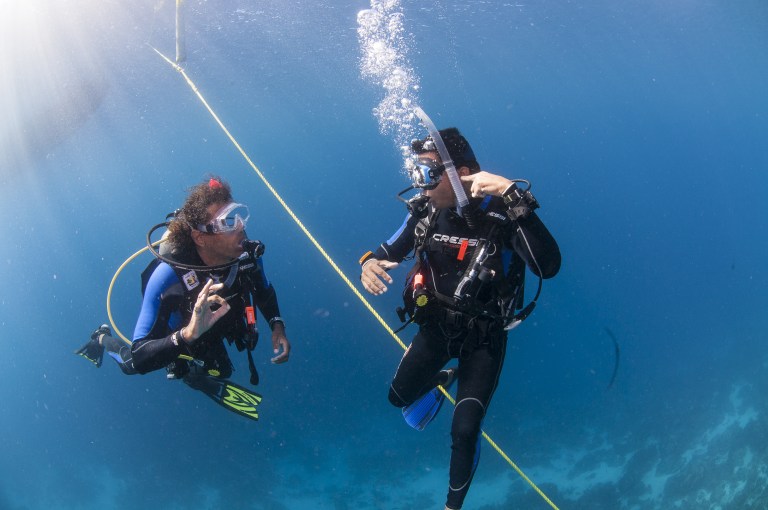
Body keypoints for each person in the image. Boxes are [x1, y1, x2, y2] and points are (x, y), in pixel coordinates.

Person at [359, 128, 561, 509]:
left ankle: (452, 506)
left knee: (464, 430)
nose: (420, 184)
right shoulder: (426, 211)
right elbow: (383, 251)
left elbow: (548, 266)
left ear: (461, 173)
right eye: (417, 172)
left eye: (428, 173)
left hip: (484, 339)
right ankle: (444, 378)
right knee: (397, 399)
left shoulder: (502, 213)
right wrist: (367, 265)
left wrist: (510, 193)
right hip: (436, 327)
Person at [76, 177, 291, 420]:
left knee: (221, 371)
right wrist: (187, 335)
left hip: (216, 327)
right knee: (129, 366)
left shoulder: (247, 257)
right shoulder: (169, 276)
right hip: (179, 336)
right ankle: (101, 337)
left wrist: (277, 325)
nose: (240, 226)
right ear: (200, 237)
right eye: (226, 222)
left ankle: (192, 374)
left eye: (238, 215)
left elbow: (263, 290)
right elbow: (140, 354)